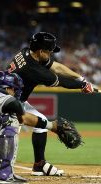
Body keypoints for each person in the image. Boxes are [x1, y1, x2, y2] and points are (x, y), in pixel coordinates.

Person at [7, 31, 94, 176]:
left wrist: (81, 79)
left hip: (17, 100)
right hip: (7, 105)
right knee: (9, 137)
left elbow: (57, 67)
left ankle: (39, 164)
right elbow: (62, 82)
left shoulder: (27, 52)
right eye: (49, 51)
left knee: (41, 124)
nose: (51, 55)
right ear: (41, 51)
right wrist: (82, 87)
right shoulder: (33, 69)